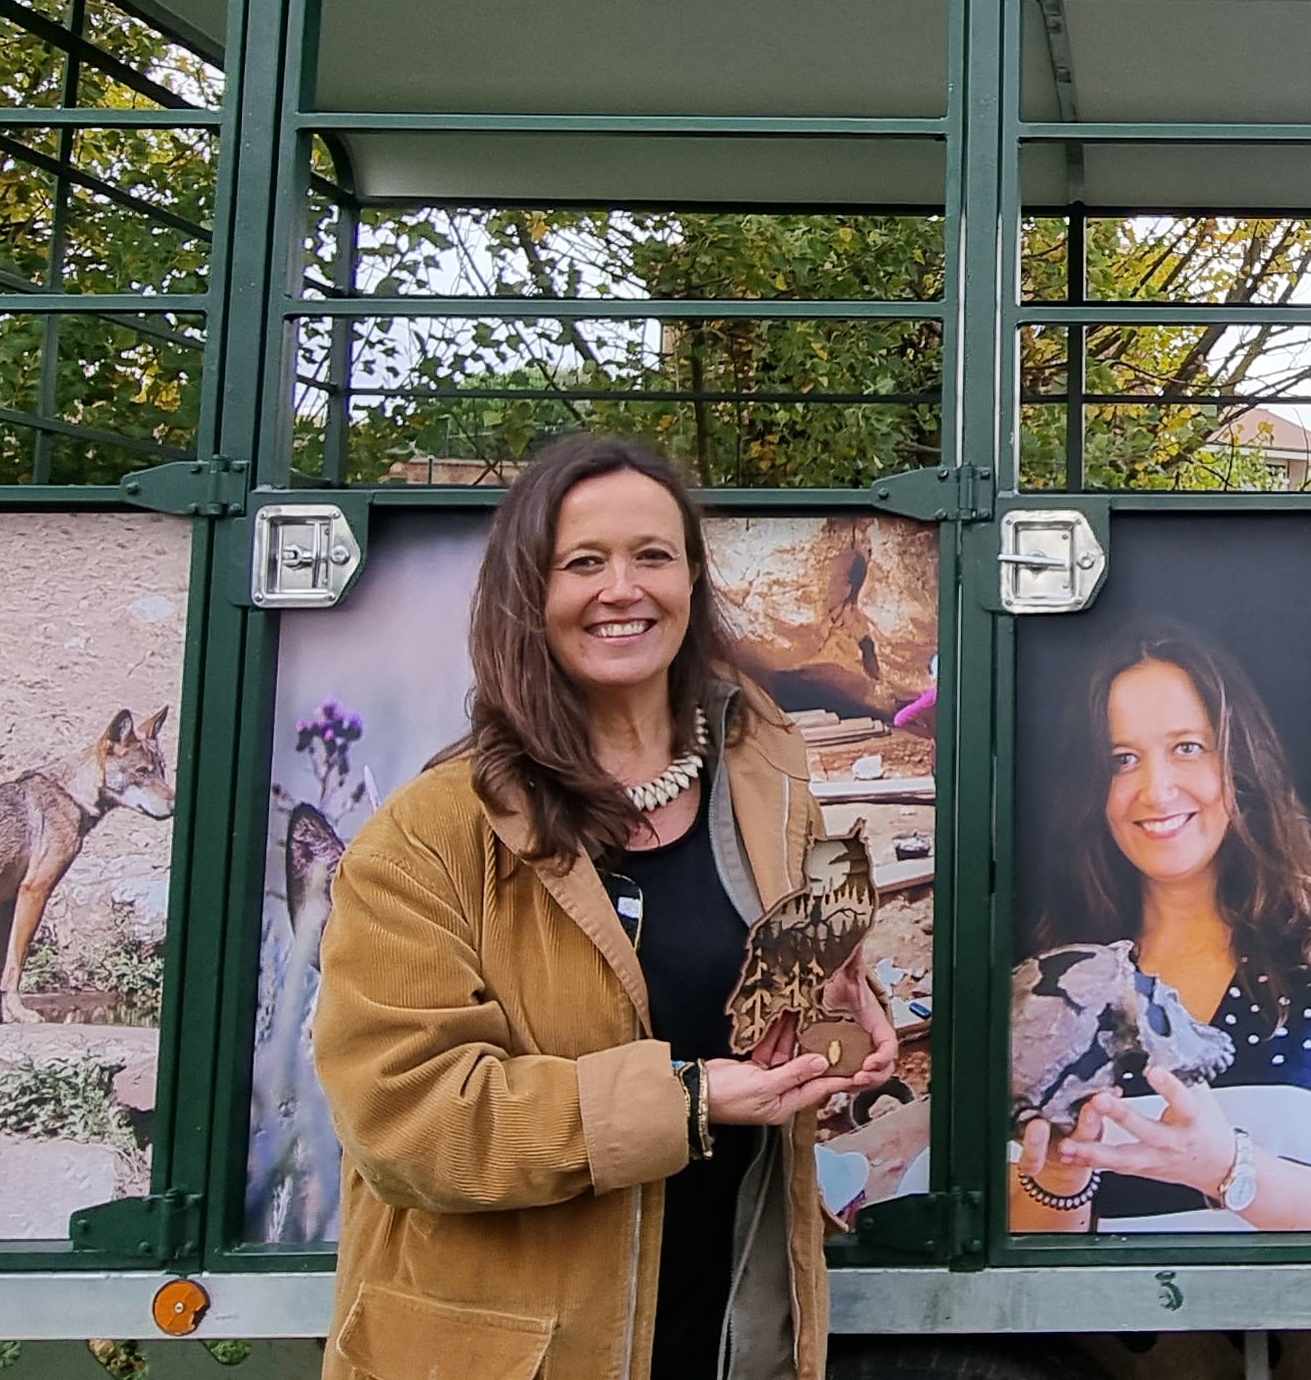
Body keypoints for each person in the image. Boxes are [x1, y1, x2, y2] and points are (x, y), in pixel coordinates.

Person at [318, 436, 893, 1380]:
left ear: (691, 580)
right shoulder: (432, 835)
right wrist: (693, 1100)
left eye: (652, 556)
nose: (621, 588)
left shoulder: (764, 761)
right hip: (520, 1356)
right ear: (527, 597)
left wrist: (843, 982)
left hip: (733, 1330)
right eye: (582, 562)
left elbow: (810, 898)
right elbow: (406, 1120)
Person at [1010, 625, 1311, 1232]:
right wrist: (1058, 1180)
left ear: (1241, 761)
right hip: (1115, 1329)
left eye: (1188, 747)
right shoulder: (1052, 982)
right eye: (1122, 759)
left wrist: (1226, 1169)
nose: (1156, 791)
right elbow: (1026, 1262)